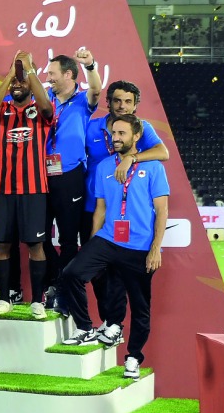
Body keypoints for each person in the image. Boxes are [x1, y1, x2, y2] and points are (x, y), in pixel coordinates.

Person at [60, 114, 168, 380]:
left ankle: (133, 357)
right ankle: (86, 327)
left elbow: (162, 210)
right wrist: (91, 243)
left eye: (122, 133)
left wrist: (155, 248)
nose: (116, 138)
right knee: (72, 273)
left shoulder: (153, 167)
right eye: (113, 133)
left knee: (140, 307)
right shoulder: (104, 166)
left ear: (136, 136)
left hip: (140, 246)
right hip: (108, 239)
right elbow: (100, 208)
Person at [81, 80, 169, 341]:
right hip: (95, 206)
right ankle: (110, 321)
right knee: (99, 274)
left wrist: (132, 157)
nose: (122, 106)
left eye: (128, 101)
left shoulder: (142, 128)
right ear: (108, 102)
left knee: (120, 276)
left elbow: (163, 152)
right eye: (117, 100)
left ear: (135, 105)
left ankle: (115, 326)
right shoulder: (92, 126)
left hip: (125, 216)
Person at [0, 53, 55, 319]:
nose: (18, 84)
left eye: (22, 80)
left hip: (34, 190)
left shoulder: (40, 110)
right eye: (15, 81)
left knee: (35, 246)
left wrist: (29, 71)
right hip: (3, 190)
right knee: (2, 245)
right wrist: (9, 77)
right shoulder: (2, 111)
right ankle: (4, 299)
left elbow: (47, 108)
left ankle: (37, 300)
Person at [40, 49, 101, 308]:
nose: (48, 78)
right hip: (40, 176)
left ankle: (63, 293)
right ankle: (54, 281)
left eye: (52, 73)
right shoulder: (44, 99)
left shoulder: (83, 100)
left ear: (68, 74)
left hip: (70, 176)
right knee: (39, 237)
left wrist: (91, 65)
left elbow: (96, 89)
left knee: (68, 239)